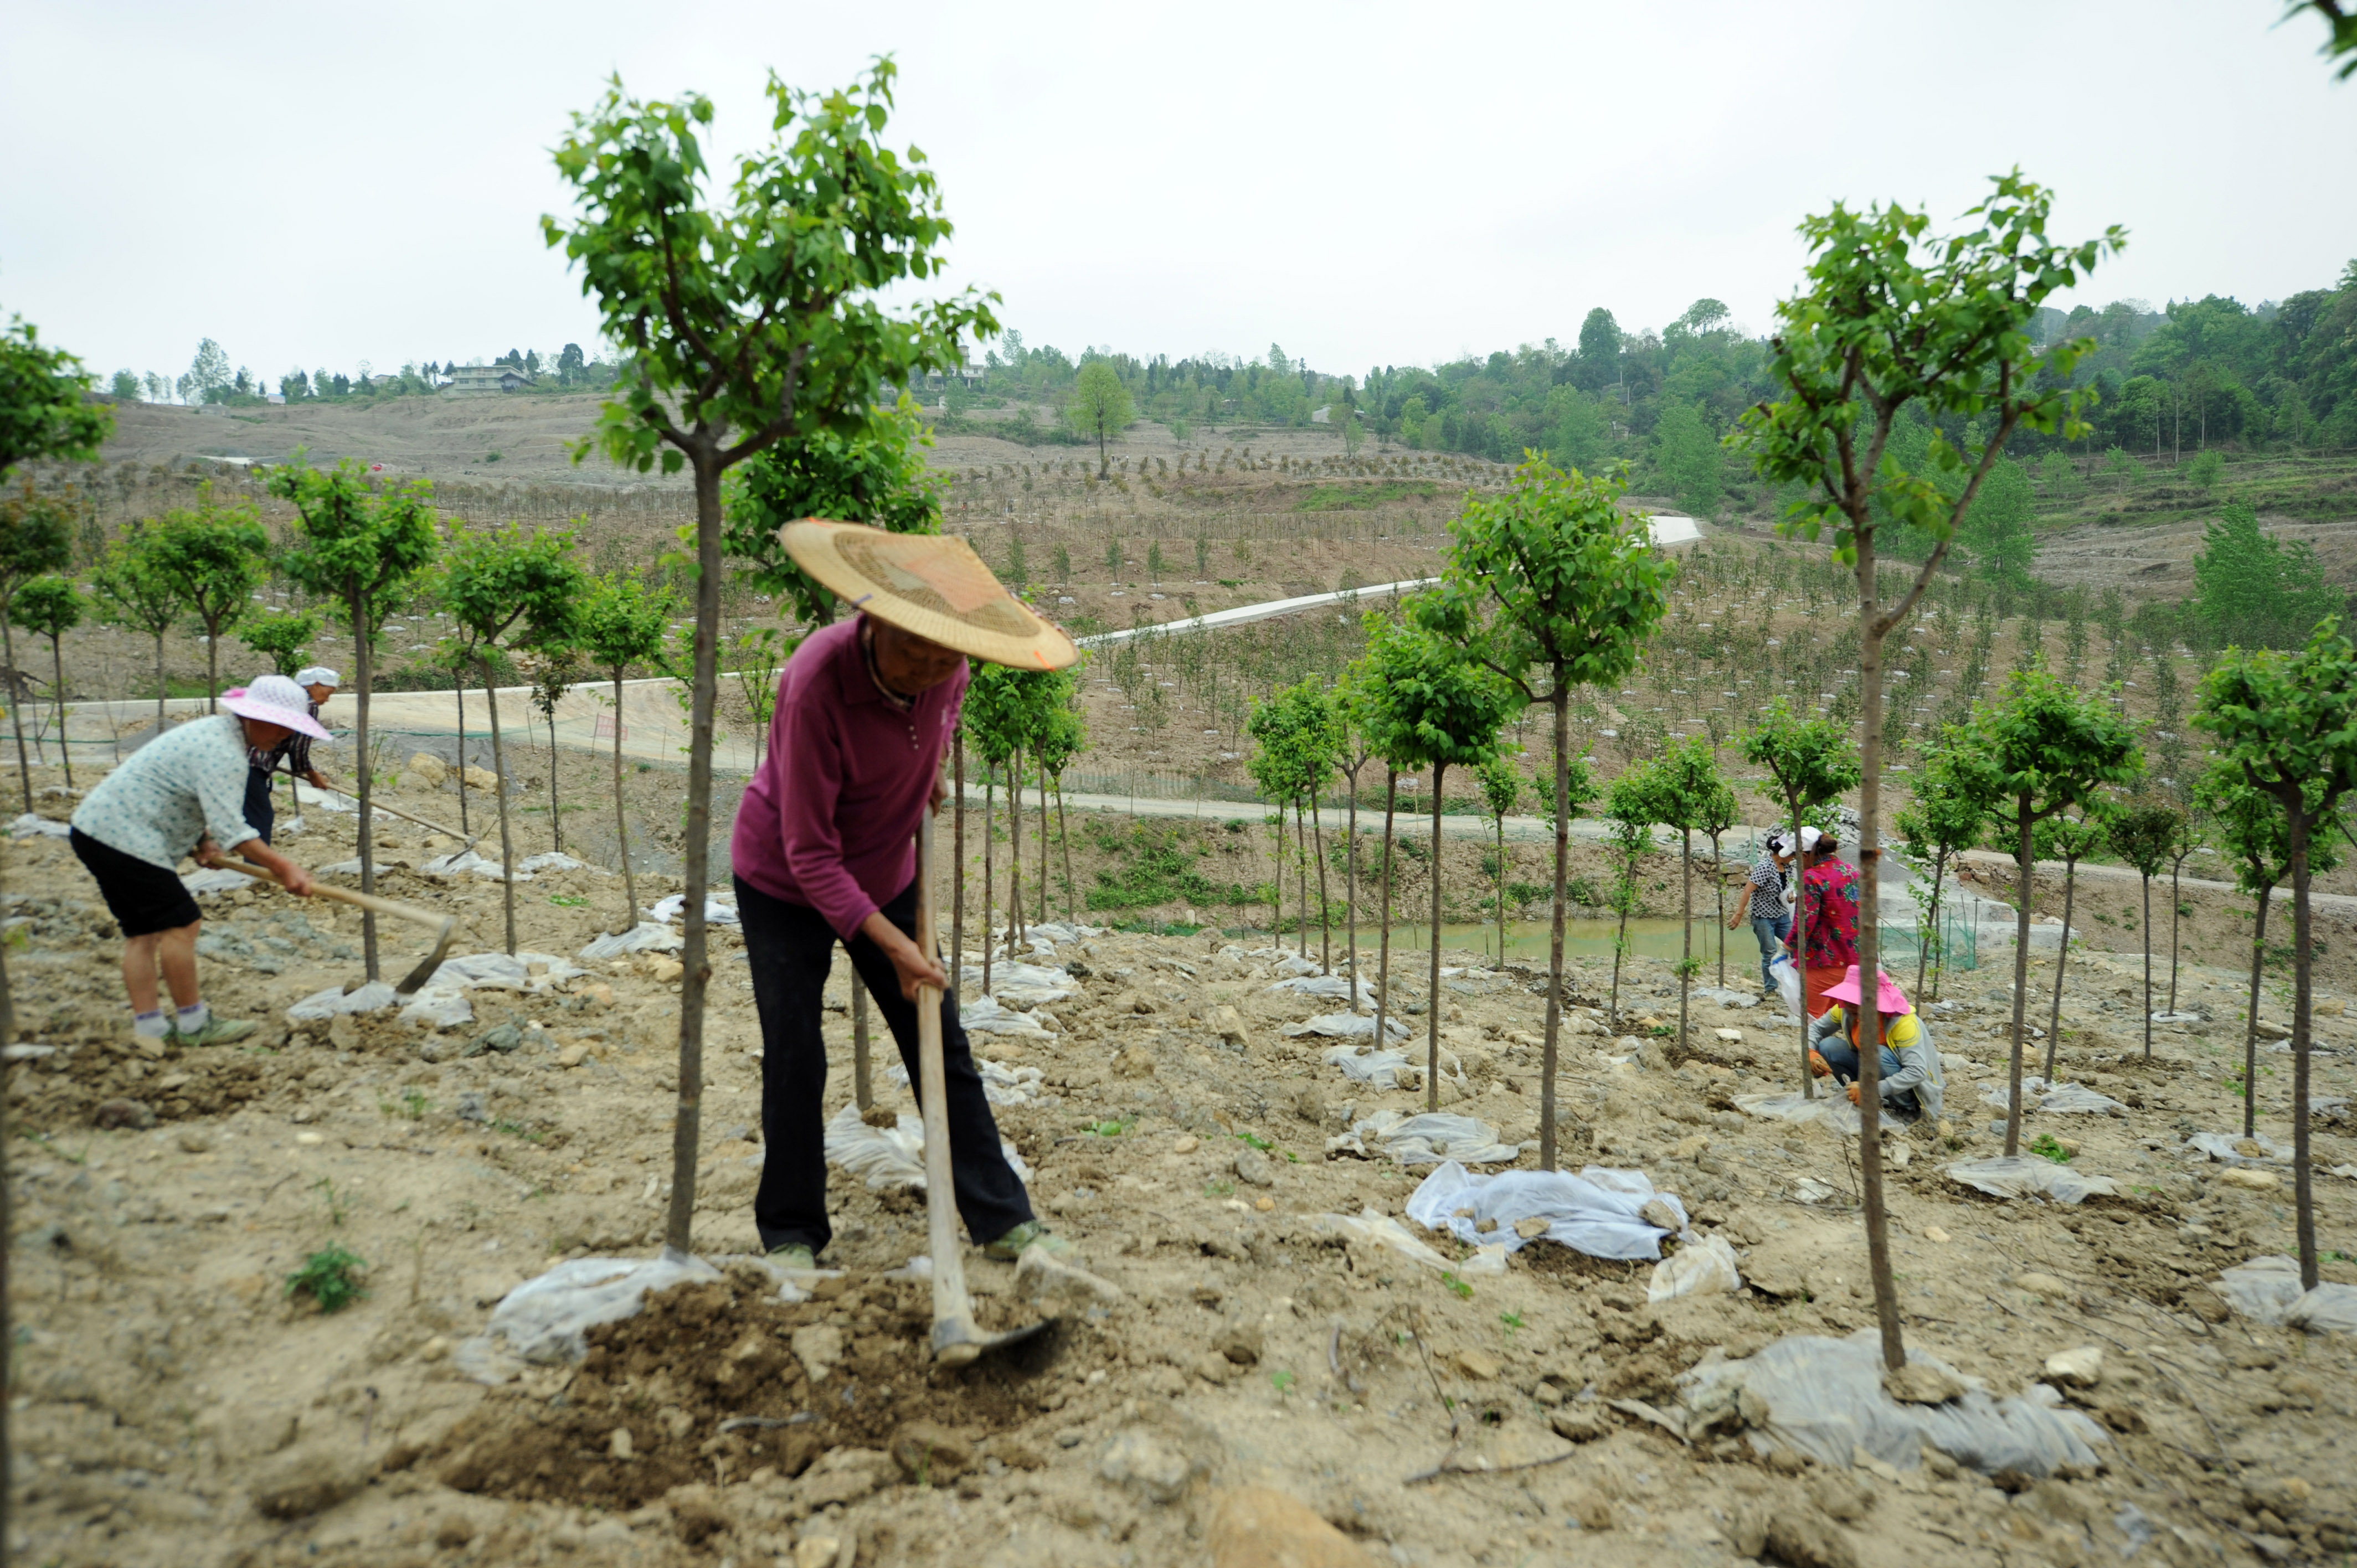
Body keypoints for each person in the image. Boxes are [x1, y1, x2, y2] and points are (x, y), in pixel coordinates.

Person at [729, 521, 1080, 1272]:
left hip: (886, 867)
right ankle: (791, 1234)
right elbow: (811, 854)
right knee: (795, 1052)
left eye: (944, 653)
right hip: (786, 882)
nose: (928, 665)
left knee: (941, 1045)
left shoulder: (950, 668)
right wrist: (898, 948)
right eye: (911, 647)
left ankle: (1002, 1220)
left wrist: (928, 778)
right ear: (874, 619)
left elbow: (931, 727)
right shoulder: (814, 682)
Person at [69, 675, 325, 1046]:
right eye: (283, 727)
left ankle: (151, 1028)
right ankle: (194, 1024)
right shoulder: (223, 753)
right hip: (125, 839)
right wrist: (284, 867)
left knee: (143, 933)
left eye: (292, 730)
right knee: (183, 923)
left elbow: (185, 795)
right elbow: (235, 832)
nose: (285, 737)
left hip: (96, 830)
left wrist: (203, 840)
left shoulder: (213, 734)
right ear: (253, 716)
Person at [1808, 964, 1944, 1123]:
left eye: (1856, 1000)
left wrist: (1872, 1090)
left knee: (1877, 1053)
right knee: (1829, 1046)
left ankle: (1902, 1109)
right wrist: (1810, 1052)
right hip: (1872, 1074)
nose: (1849, 1004)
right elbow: (1816, 1029)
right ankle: (1859, 1095)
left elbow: (1917, 1071)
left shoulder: (1903, 1022)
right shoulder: (1846, 1010)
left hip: (1909, 1091)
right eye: (1848, 999)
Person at [240, 666, 339, 844]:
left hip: (243, 761)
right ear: (316, 685)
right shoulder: (308, 705)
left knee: (246, 811)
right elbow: (298, 747)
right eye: (329, 693)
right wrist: (312, 774)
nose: (328, 699)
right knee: (262, 817)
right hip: (253, 764)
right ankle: (256, 867)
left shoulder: (289, 701)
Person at [1797, 824, 1860, 1019]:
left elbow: (1805, 920)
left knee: (1813, 1019)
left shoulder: (1813, 877)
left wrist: (1789, 946)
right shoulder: (1854, 873)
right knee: (1843, 1019)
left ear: (1805, 855)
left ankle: (1813, 1051)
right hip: (1857, 961)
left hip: (1824, 960)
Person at [1725, 830, 1794, 997]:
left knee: (1795, 946)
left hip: (1782, 915)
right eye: (1791, 853)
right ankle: (1771, 989)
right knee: (1769, 951)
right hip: (1763, 917)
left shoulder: (1788, 868)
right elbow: (1748, 890)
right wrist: (1738, 915)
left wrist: (1791, 896)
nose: (1793, 857)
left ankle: (1792, 984)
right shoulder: (1765, 867)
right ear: (1782, 853)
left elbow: (1789, 888)